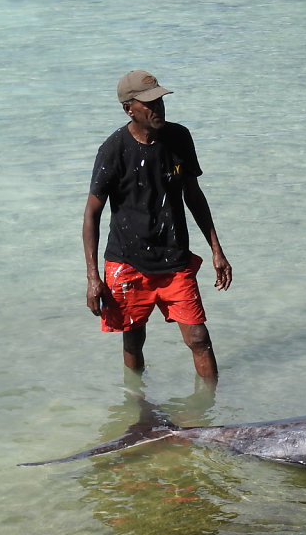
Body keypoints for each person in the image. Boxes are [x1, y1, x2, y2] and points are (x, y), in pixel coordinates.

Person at [83, 70, 232, 382]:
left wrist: (217, 250)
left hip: (174, 260)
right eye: (149, 104)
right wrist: (93, 277)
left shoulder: (179, 138)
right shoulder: (113, 150)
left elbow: (194, 195)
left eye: (160, 101)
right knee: (134, 341)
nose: (158, 109)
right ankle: (137, 409)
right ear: (129, 108)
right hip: (127, 263)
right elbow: (91, 215)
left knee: (199, 338)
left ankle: (211, 413)